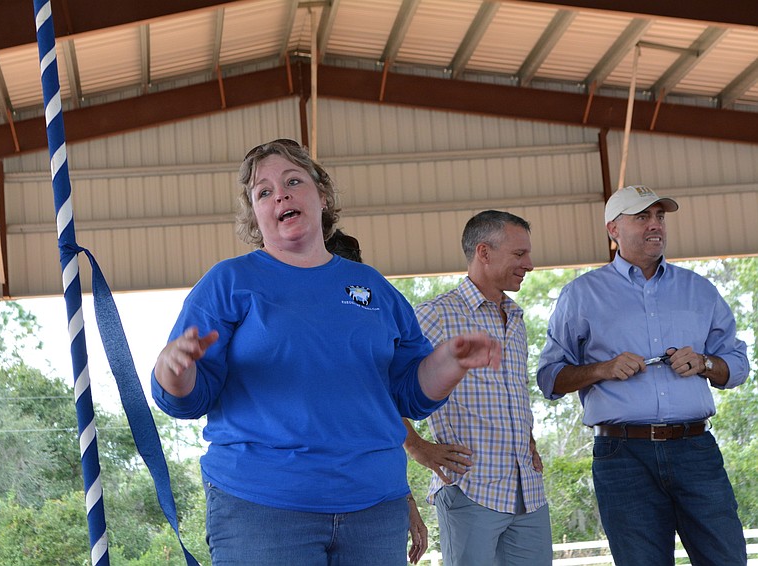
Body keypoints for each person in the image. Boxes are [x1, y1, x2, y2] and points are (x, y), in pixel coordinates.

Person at [152, 139, 502, 565]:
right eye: (263, 192)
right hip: (263, 509)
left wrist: (450, 361)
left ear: (322, 197)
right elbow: (190, 397)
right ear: (256, 215)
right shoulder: (228, 282)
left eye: (292, 181)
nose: (279, 194)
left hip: (375, 508)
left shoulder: (373, 287)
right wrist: (173, 370)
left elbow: (409, 393)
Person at [537, 185, 750, 566]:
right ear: (613, 230)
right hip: (622, 456)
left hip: (696, 450)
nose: (655, 225)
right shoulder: (581, 295)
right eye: (642, 217)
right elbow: (549, 379)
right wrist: (603, 369)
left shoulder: (700, 290)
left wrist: (704, 363)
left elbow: (737, 366)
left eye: (660, 217)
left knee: (726, 559)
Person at [404, 210, 552, 565]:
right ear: (483, 252)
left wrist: (526, 436)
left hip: (527, 491)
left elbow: (513, 393)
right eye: (519, 254)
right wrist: (419, 448)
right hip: (470, 489)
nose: (529, 264)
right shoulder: (434, 316)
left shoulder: (515, 319)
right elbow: (381, 390)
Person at [324, 227, 428, 565]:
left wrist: (407, 502)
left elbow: (383, 423)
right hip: (291, 503)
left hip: (371, 502)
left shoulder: (371, 337)